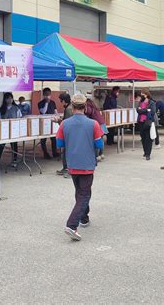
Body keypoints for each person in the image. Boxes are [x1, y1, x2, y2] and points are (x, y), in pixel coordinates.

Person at [56, 93, 104, 241]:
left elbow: (59, 144)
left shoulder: (64, 124)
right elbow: (99, 144)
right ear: (85, 106)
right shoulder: (93, 124)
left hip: (72, 163)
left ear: (71, 105)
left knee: (80, 192)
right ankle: (72, 224)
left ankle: (84, 218)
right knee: (85, 194)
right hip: (87, 164)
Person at [0, 92, 22, 166]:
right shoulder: (1, 109)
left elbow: (20, 118)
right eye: (8, 98)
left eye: (11, 98)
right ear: (5, 99)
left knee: (14, 145)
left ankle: (14, 161)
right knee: (0, 146)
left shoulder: (16, 108)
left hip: (13, 130)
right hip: (3, 131)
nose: (10, 100)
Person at [55, 93, 74, 177]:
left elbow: (66, 124)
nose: (60, 102)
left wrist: (58, 121)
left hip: (70, 134)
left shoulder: (69, 109)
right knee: (64, 152)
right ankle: (65, 168)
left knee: (67, 152)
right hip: (69, 134)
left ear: (64, 101)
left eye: (61, 101)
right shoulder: (69, 108)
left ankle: (69, 170)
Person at [38, 87, 59, 159]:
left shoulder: (53, 102)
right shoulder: (40, 103)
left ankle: (54, 152)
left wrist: (57, 117)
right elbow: (43, 112)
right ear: (43, 95)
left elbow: (55, 111)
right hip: (44, 123)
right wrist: (46, 103)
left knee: (53, 138)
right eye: (46, 95)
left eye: (48, 94)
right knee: (43, 139)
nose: (47, 96)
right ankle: (45, 153)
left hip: (52, 122)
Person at [136, 91, 156, 161]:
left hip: (148, 122)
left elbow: (153, 112)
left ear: (146, 95)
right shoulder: (140, 102)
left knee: (148, 138)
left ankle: (148, 154)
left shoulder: (151, 102)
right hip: (140, 122)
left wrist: (142, 110)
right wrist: (146, 110)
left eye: (143, 94)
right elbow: (138, 111)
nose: (141, 95)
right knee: (143, 137)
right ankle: (145, 151)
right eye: (141, 94)